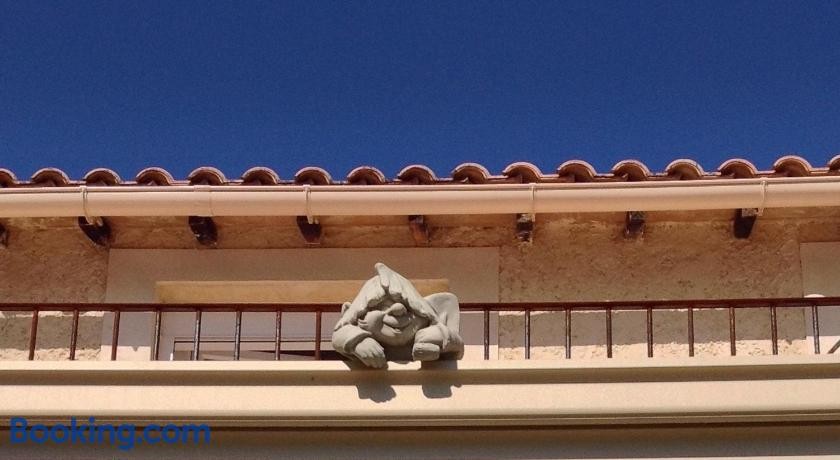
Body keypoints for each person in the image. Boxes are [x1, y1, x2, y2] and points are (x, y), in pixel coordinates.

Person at [332, 263, 464, 368]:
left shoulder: (427, 331)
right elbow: (340, 332)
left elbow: (456, 344)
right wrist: (358, 341)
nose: (398, 310)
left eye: (410, 307)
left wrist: (441, 335)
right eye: (382, 306)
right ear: (358, 317)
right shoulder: (354, 330)